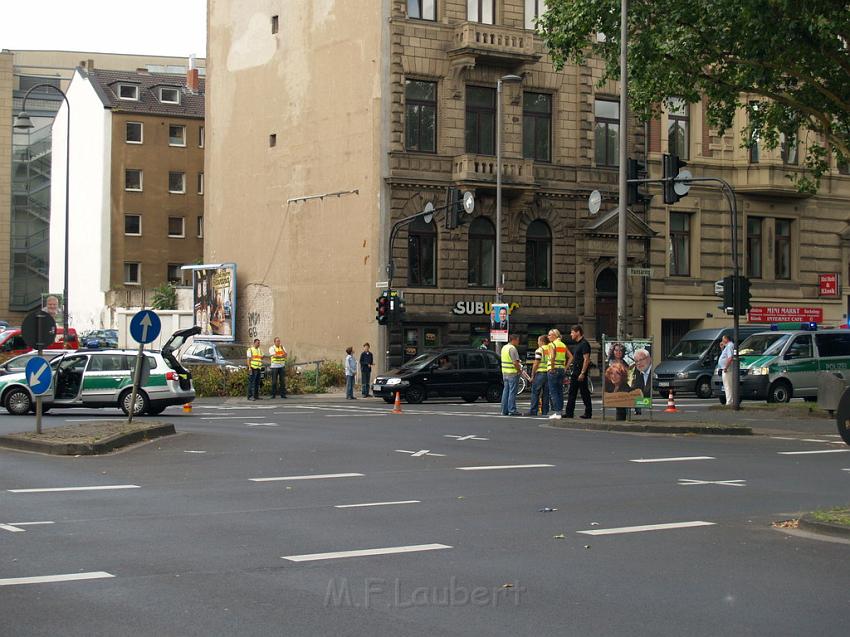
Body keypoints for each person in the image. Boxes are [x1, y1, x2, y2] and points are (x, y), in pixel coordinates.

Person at [564, 325, 592, 419]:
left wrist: (583, 373)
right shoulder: (578, 344)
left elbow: (586, 359)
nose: (571, 334)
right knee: (572, 392)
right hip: (575, 372)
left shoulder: (584, 344)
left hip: (580, 373)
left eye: (572, 332)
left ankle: (588, 413)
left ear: (578, 332)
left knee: (584, 393)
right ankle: (569, 413)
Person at [546, 329, 569, 420]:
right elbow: (571, 357)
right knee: (560, 391)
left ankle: (557, 412)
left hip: (553, 369)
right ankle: (560, 411)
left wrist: (551, 368)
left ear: (555, 335)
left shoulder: (552, 345)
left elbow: (552, 357)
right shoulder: (563, 345)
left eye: (550, 335)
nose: (548, 337)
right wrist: (565, 367)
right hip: (561, 369)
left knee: (553, 391)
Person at [526, 334, 550, 416]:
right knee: (546, 394)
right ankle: (545, 411)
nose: (537, 342)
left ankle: (533, 411)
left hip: (540, 373)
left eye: (538, 341)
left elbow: (536, 363)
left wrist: (532, 374)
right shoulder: (551, 349)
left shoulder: (540, 350)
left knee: (535, 392)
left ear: (542, 341)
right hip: (549, 373)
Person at [500, 333, 522, 416]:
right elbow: (515, 362)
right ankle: (512, 410)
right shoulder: (512, 349)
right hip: (512, 373)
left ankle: (504, 410)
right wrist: (519, 370)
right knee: (512, 392)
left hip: (505, 373)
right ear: (514, 340)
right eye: (518, 340)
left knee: (506, 391)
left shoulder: (504, 347)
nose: (518, 341)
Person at [631, 348, 652, 414]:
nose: (639, 363)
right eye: (636, 361)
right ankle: (638, 410)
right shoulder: (638, 370)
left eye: (641, 360)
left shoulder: (653, 370)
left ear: (649, 359)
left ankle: (638, 410)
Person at [717, 334, 735, 406]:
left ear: (726, 339)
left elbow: (730, 358)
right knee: (728, 385)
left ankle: (729, 401)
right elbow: (725, 356)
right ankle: (730, 400)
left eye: (723, 339)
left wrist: (726, 367)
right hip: (726, 368)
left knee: (728, 386)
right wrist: (722, 348)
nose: (722, 341)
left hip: (727, 369)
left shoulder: (730, 346)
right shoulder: (727, 346)